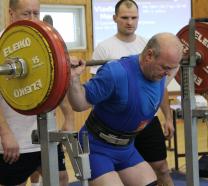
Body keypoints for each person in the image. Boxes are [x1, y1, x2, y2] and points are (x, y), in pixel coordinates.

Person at [68, 32, 183, 186]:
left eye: (172, 68)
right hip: (96, 148)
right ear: (149, 55)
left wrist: (168, 117)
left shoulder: (159, 74)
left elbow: (160, 91)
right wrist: (73, 79)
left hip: (126, 148)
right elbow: (79, 104)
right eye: (165, 67)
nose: (168, 73)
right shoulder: (115, 73)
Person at [90, 0, 175, 185]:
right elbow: (97, 91)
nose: (130, 22)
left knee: (162, 168)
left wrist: (168, 117)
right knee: (122, 175)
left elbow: (161, 86)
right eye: (125, 18)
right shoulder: (104, 48)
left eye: (134, 17)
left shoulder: (148, 45)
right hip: (116, 124)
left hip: (146, 120)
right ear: (114, 18)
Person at [0, 0, 74, 185]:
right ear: (11, 13)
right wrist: (6, 134)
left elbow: (57, 83)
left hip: (45, 132)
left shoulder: (44, 42)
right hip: (14, 138)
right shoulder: (2, 43)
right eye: (26, 14)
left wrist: (69, 118)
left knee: (61, 178)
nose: (33, 19)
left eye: (36, 13)